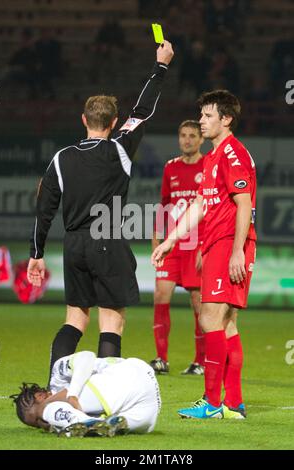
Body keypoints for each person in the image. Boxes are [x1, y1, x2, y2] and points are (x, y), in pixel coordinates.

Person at [26, 41, 174, 383]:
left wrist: (37, 254)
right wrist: (161, 66)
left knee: (74, 320)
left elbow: (44, 209)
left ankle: (55, 388)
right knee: (112, 322)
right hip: (107, 241)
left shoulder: (61, 158)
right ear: (114, 122)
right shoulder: (120, 148)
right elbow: (144, 111)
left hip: (74, 244)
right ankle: (103, 397)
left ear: (84, 120)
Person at [152, 90, 257, 419]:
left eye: (208, 116)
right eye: (201, 115)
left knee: (210, 318)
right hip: (216, 243)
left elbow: (244, 204)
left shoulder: (234, 154)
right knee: (226, 325)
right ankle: (233, 404)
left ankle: (212, 403)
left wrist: (237, 250)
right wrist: (170, 240)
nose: (202, 120)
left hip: (228, 242)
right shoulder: (213, 157)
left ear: (226, 120)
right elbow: (199, 205)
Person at [150, 120, 205, 375]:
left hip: (197, 245)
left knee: (198, 303)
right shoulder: (170, 167)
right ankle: (161, 359)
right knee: (160, 296)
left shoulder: (210, 166)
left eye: (193, 136)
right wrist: (156, 239)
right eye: (183, 135)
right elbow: (163, 204)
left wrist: (207, 247)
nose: (187, 140)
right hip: (172, 244)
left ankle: (200, 362)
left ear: (201, 139)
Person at [10, 351, 161, 436]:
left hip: (127, 374)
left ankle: (80, 421)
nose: (43, 423)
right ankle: (98, 424)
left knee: (48, 407)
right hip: (148, 406)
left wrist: (73, 394)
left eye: (37, 419)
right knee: (113, 424)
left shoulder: (58, 375)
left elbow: (87, 356)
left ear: (40, 396)